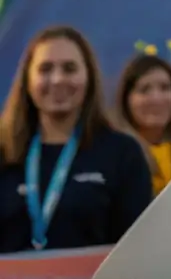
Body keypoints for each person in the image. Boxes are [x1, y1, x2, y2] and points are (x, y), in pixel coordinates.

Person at [0, 26, 151, 253]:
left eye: (70, 69)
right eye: (45, 69)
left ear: (88, 77)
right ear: (27, 80)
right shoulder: (3, 152)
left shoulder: (122, 154)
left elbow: (138, 251)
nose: (58, 79)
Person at [113, 53, 171, 195]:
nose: (156, 99)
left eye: (165, 88)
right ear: (126, 100)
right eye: (144, 90)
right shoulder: (115, 157)